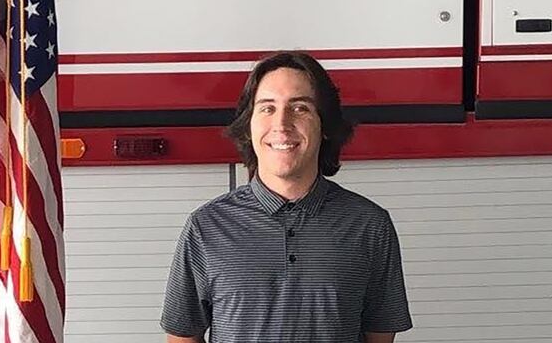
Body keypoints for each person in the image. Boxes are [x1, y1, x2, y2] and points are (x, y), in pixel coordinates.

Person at [161, 52, 413, 343]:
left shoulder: (370, 225)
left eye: (300, 108)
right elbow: (182, 336)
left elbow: (380, 335)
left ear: (325, 125)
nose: (281, 123)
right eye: (267, 108)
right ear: (249, 125)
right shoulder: (205, 227)